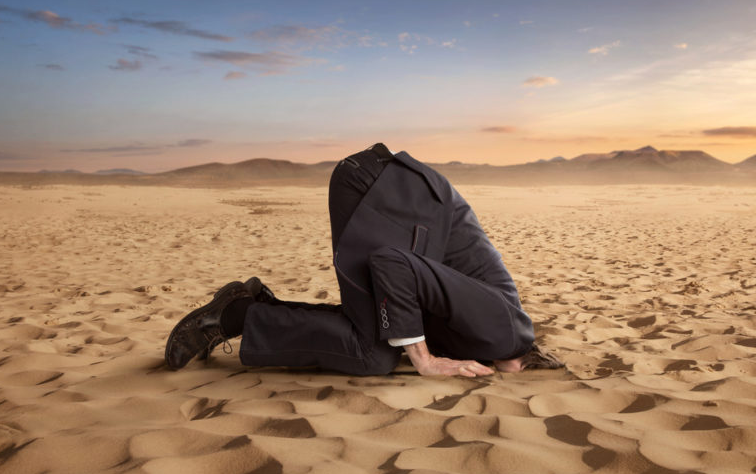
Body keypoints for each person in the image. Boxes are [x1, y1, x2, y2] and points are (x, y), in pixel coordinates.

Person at [165, 142, 561, 376]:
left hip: (392, 192)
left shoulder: (487, 334)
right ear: (524, 365)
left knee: (379, 340)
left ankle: (252, 309)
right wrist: (424, 362)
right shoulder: (506, 333)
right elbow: (393, 264)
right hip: (380, 190)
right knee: (374, 354)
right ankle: (234, 316)